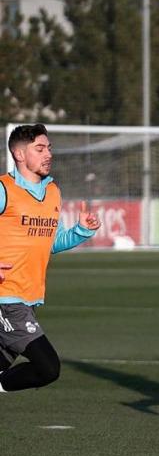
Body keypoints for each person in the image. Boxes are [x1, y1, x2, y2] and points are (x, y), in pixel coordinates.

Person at [0, 124, 100, 392]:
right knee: (47, 367)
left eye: (49, 148)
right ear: (19, 154)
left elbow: (51, 242)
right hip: (6, 298)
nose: (48, 154)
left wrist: (81, 231)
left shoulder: (53, 192)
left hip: (29, 297)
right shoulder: (4, 189)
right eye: (40, 149)